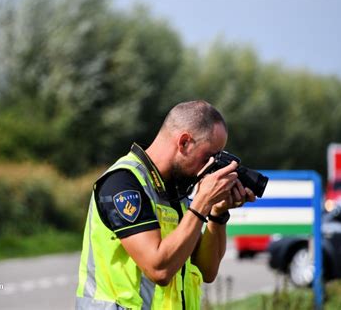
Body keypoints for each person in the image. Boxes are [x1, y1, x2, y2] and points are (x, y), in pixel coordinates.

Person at [76, 100, 256, 309]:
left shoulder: (176, 191)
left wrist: (217, 212)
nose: (212, 166)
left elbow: (207, 270)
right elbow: (158, 269)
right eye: (209, 156)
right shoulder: (123, 183)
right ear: (184, 143)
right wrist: (201, 203)